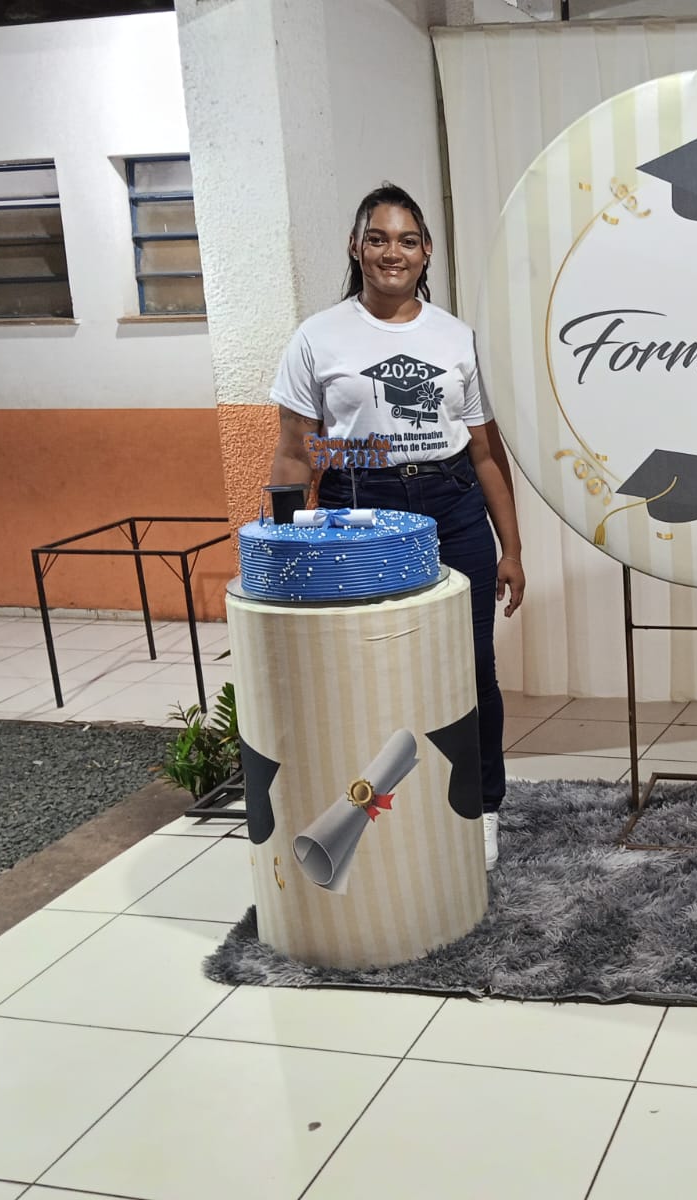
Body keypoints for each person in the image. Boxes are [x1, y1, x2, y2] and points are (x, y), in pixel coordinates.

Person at [268, 183, 525, 870]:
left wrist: (511, 547)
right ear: (356, 248)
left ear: (427, 251)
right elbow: (296, 451)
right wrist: (286, 545)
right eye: (378, 239)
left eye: (407, 240)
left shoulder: (456, 337)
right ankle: (374, 809)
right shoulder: (317, 337)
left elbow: (485, 452)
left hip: (453, 504)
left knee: (471, 665)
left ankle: (481, 807)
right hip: (360, 505)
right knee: (367, 664)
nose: (393, 252)